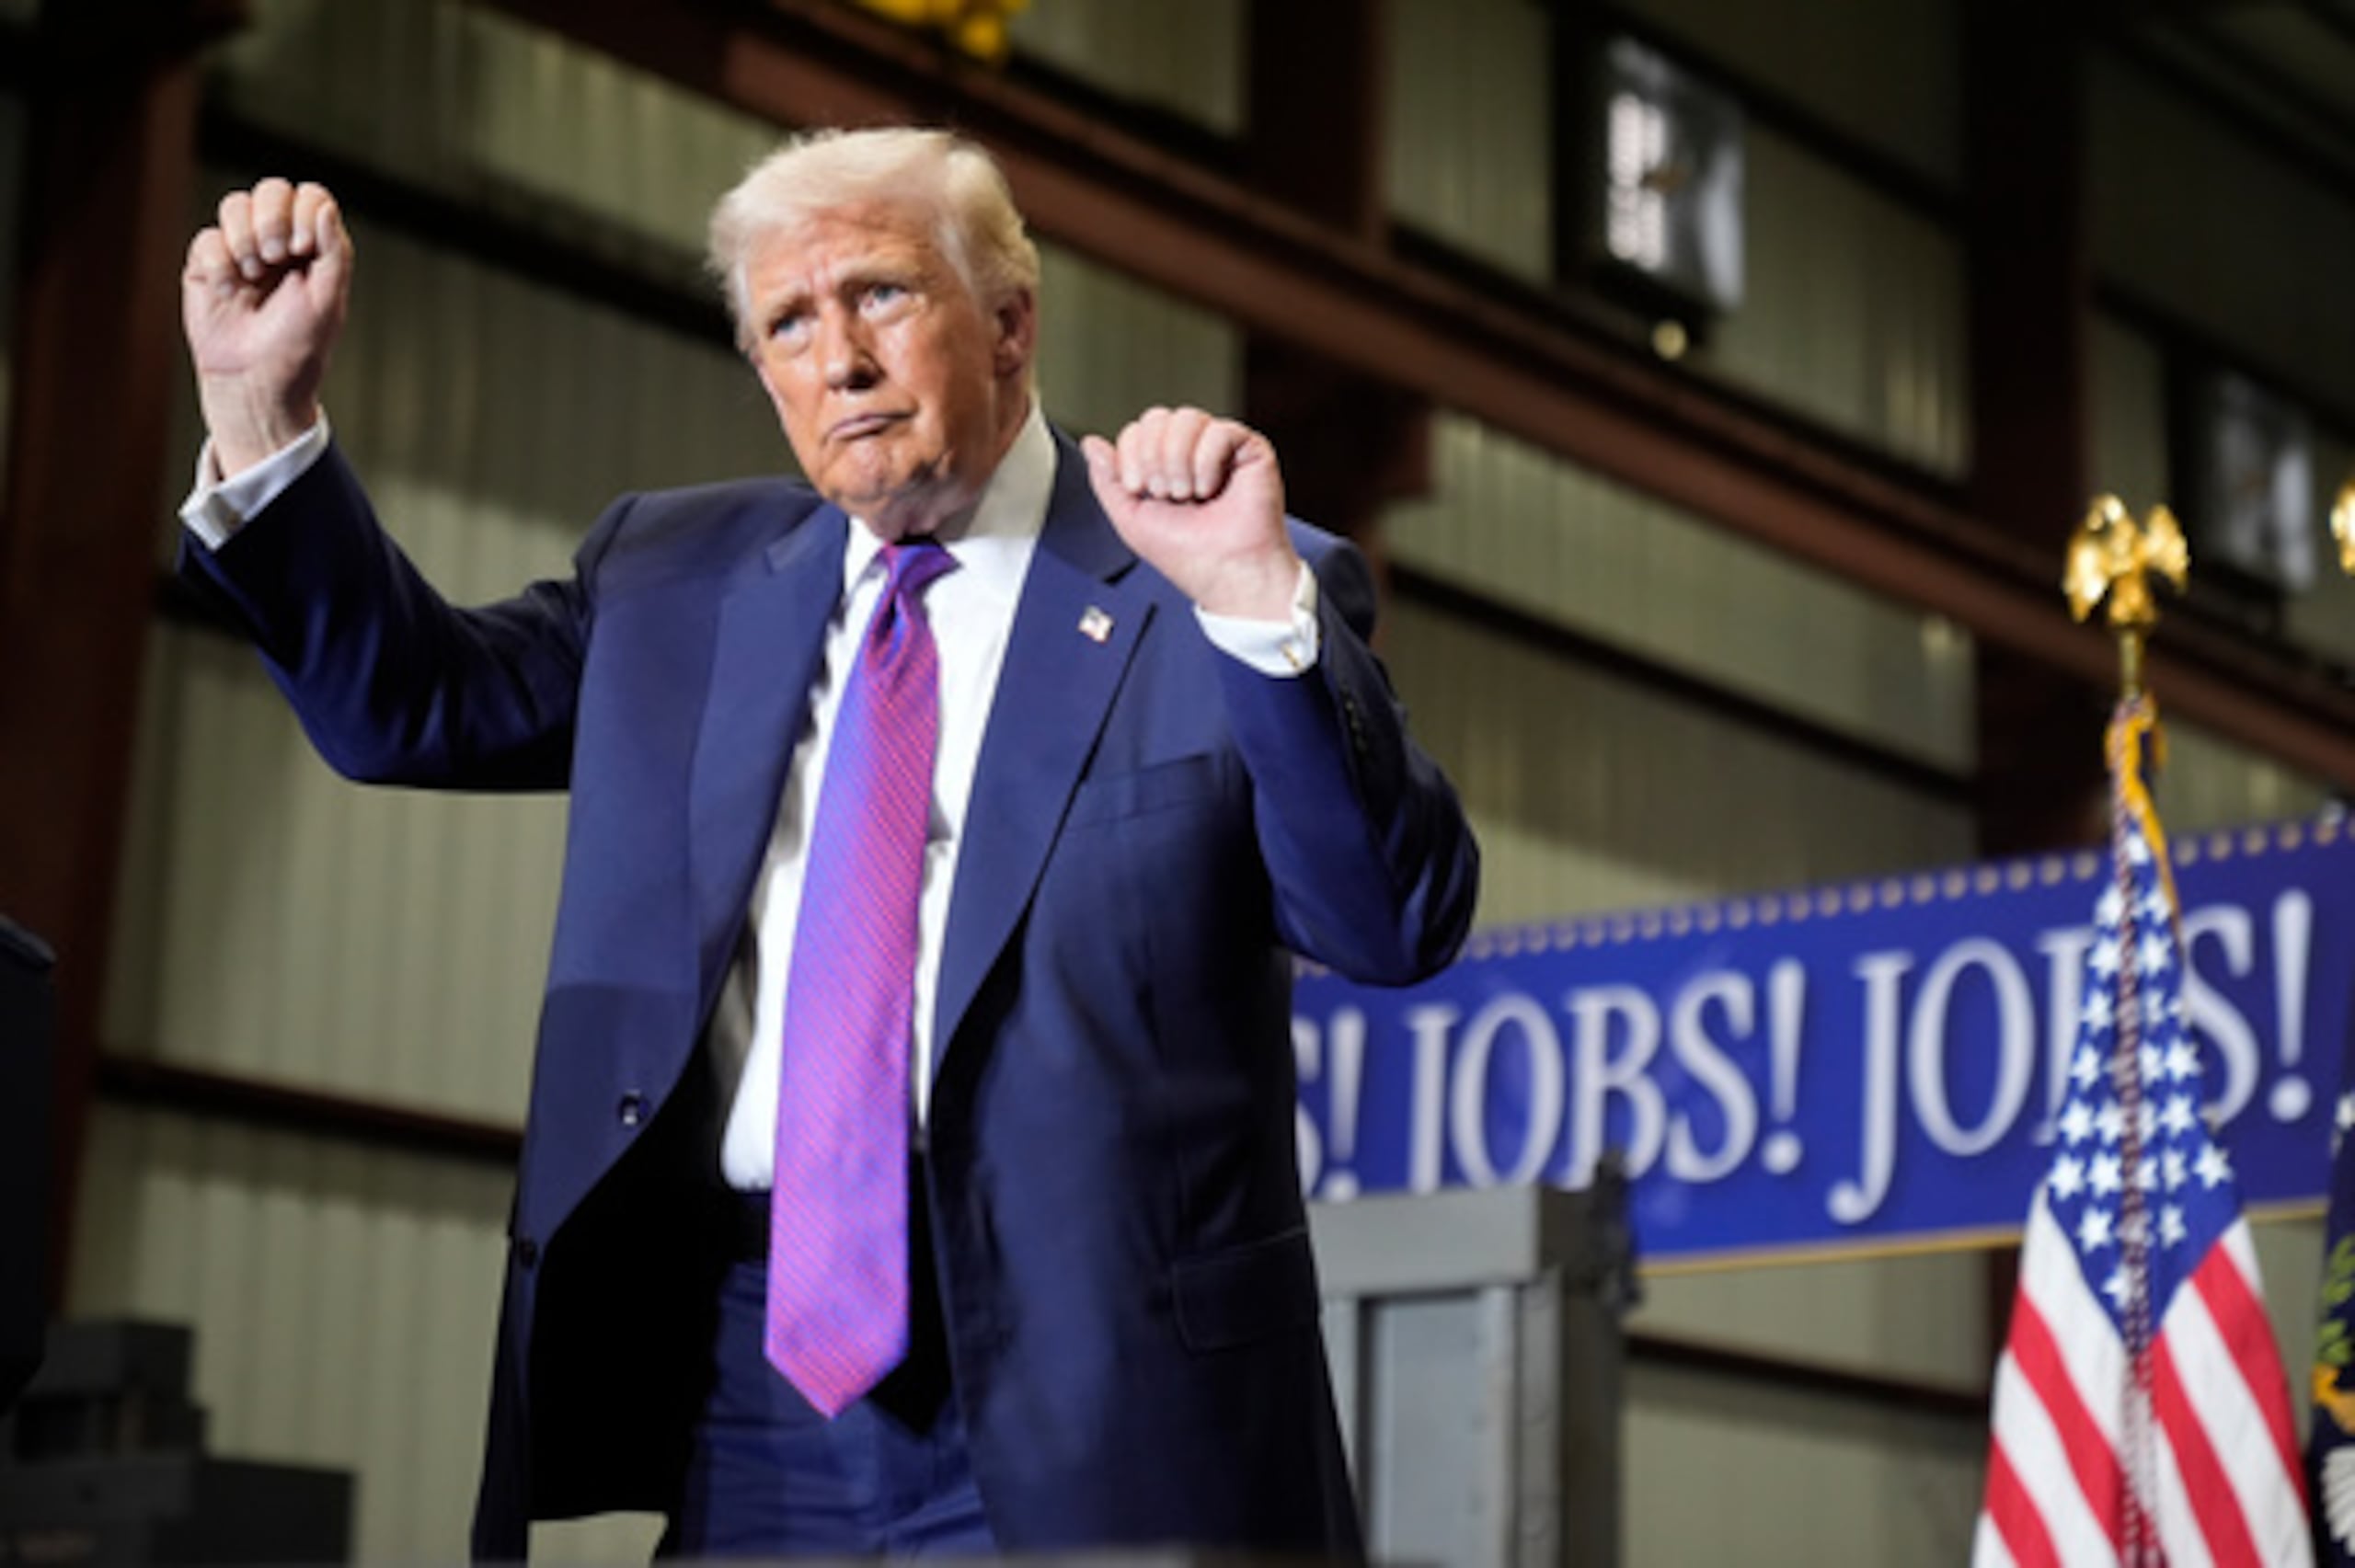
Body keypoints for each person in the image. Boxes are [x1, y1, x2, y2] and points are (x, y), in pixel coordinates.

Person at [177, 127, 1478, 1559]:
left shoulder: (1198, 584)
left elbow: (1390, 921)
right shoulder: (675, 579)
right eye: (789, 322)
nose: (839, 357)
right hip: (758, 1387)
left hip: (1104, 1394)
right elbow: (408, 709)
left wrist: (1250, 593)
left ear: (1010, 322)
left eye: (881, 295)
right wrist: (260, 415)